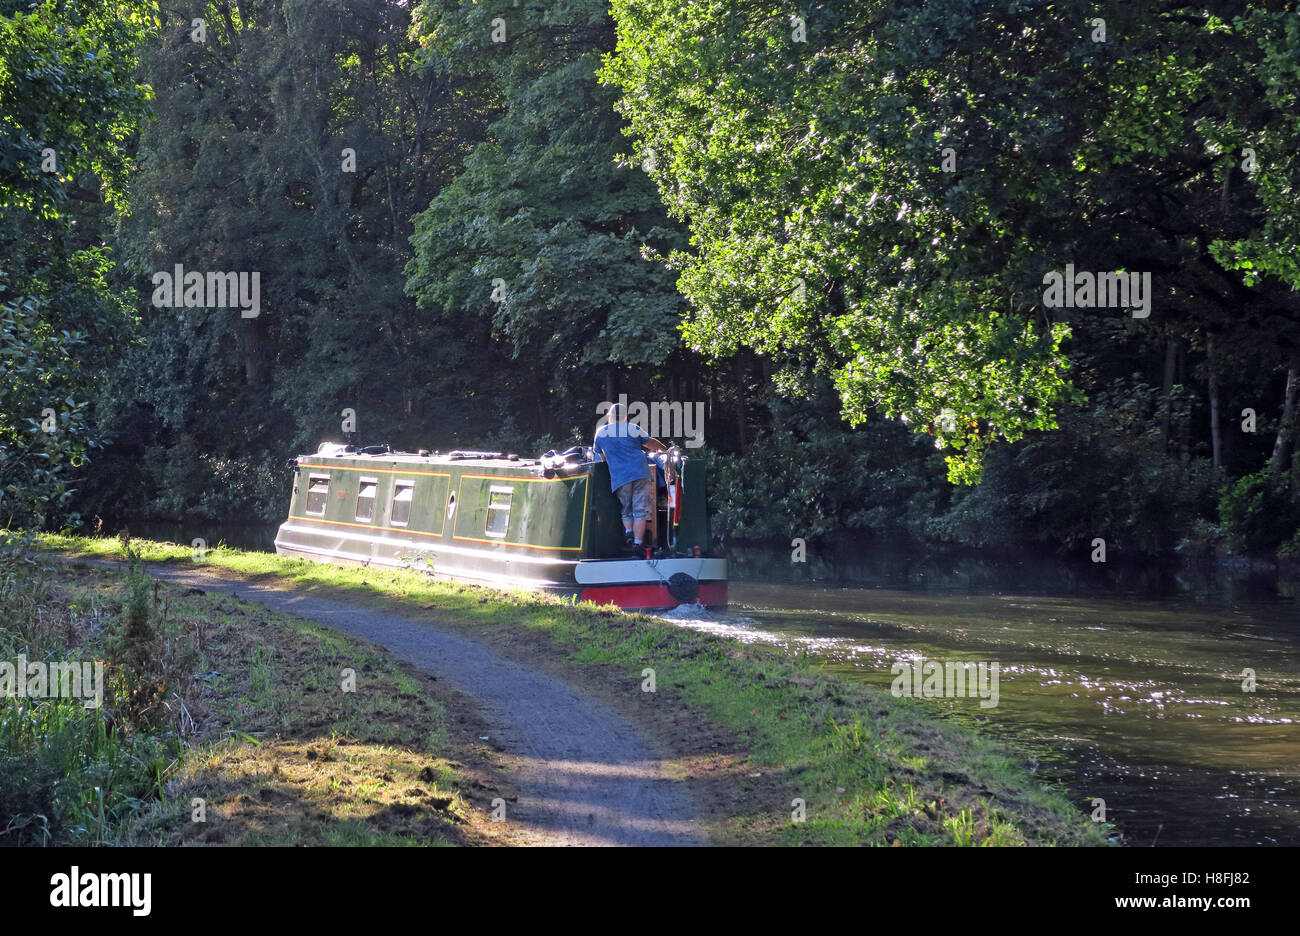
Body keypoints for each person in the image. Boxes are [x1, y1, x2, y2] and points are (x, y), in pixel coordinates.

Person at [593, 403, 665, 550]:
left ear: (610, 417)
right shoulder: (633, 428)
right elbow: (652, 444)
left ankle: (629, 532)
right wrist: (665, 450)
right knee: (640, 510)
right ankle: (638, 545)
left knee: (626, 509)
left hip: (620, 477)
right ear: (625, 417)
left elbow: (602, 458)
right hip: (641, 473)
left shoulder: (601, 433)